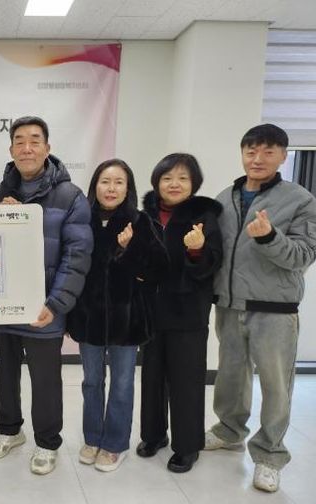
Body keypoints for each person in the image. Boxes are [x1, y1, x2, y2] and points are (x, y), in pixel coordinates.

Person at [206, 124, 316, 492]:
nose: (258, 158)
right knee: (231, 376)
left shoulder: (300, 200)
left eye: (268, 151)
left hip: (275, 309)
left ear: (283, 156)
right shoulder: (225, 197)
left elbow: (302, 256)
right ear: (242, 154)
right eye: (251, 151)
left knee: (276, 384)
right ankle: (229, 430)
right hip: (229, 303)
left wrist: (269, 237)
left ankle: (270, 454)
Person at [0, 116, 92, 475]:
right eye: (19, 141)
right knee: (6, 373)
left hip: (44, 307)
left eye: (34, 141)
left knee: (45, 380)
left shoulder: (70, 196)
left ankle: (47, 442)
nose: (26, 148)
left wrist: (56, 303)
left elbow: (77, 256)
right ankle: (9, 430)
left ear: (47, 148)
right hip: (4, 306)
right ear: (11, 149)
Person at [67, 159, 165, 473]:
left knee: (122, 384)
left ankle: (115, 443)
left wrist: (130, 249)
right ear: (95, 185)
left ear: (128, 188)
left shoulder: (140, 221)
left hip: (127, 320)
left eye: (119, 182)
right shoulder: (82, 220)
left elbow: (157, 270)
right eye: (105, 181)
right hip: (88, 317)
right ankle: (93, 438)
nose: (111, 188)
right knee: (91, 382)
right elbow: (72, 268)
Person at [138, 153, 223, 473]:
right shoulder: (145, 215)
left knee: (186, 381)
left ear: (194, 184)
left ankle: (187, 446)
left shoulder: (204, 215)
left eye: (183, 178)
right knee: (152, 377)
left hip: (188, 312)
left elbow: (213, 263)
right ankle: (153, 435)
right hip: (152, 310)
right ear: (157, 182)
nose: (174, 184)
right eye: (167, 178)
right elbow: (138, 260)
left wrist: (197, 249)